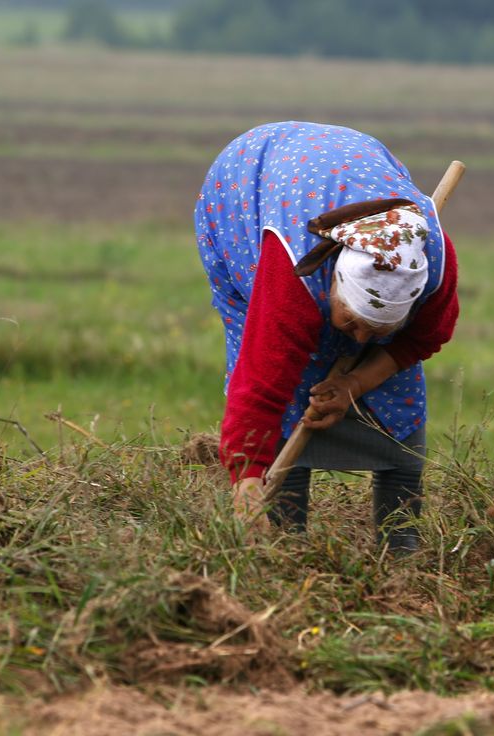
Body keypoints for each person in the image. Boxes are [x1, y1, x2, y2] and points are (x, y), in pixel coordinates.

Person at [195, 121, 460, 552]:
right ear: (333, 284)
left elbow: (424, 338)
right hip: (247, 186)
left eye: (377, 330)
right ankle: (285, 542)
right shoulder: (291, 279)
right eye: (352, 321)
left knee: (397, 395)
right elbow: (261, 383)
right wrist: (246, 479)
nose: (358, 338)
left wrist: (354, 383)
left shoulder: (432, 267)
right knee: (291, 378)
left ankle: (402, 556)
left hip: (353, 164)